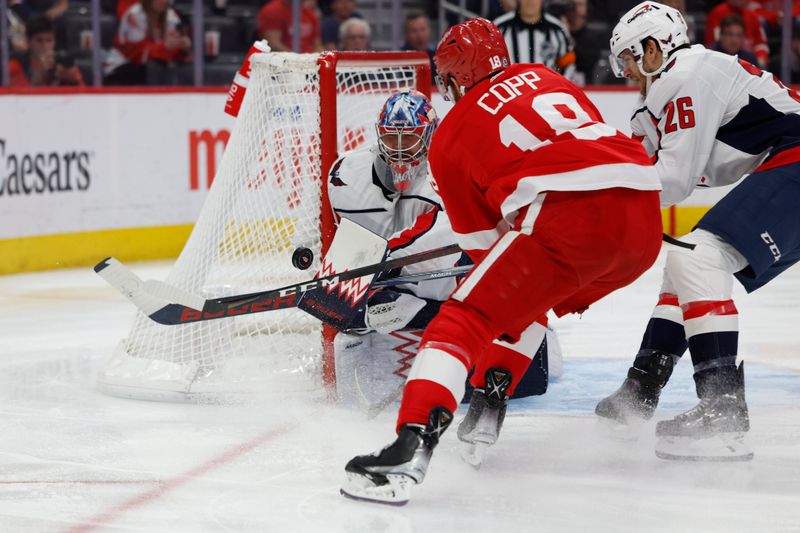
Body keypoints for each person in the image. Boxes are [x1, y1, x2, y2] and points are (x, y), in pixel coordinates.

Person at [341, 17, 663, 505]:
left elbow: (487, 251)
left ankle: (408, 448)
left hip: (570, 219)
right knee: (533, 291)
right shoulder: (550, 77)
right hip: (644, 220)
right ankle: (489, 403)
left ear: (454, 76)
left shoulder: (449, 137)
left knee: (465, 317)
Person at [597, 1, 800, 461]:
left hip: (796, 163)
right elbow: (636, 165)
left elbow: (671, 179)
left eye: (630, 56)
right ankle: (641, 390)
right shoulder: (663, 91)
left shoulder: (690, 73)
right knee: (684, 267)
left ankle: (722, 410)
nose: (625, 70)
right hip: (786, 166)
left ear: (655, 47)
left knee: (697, 257)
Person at [328, 90, 562, 418]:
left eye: (408, 140)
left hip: (449, 270)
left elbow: (435, 232)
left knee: (483, 312)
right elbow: (325, 228)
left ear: (429, 136)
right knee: (345, 313)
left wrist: (384, 260)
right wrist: (327, 266)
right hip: (397, 271)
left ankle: (430, 319)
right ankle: (346, 409)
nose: (398, 150)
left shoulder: (448, 170)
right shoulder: (346, 174)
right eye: (391, 139)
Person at [104, 0, 191, 85]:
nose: (164, 1)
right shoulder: (134, 14)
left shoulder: (171, 17)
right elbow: (138, 55)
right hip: (121, 67)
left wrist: (182, 48)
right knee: (153, 66)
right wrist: (165, 47)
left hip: (152, 68)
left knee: (163, 67)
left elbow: (174, 51)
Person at [493, 0, 576, 78]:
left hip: (547, 91)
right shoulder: (499, 28)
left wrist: (557, 88)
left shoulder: (557, 30)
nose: (530, 1)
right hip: (510, 91)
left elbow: (568, 66)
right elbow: (490, 65)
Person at [9, 16, 83, 87]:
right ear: (28, 42)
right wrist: (41, 71)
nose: (45, 46)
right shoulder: (16, 63)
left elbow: (83, 92)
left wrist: (73, 81)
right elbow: (21, 95)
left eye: (49, 40)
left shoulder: (64, 61)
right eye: (39, 40)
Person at [705, 0, 768, 68]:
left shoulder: (750, 59)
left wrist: (762, 57)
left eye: (739, 35)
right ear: (721, 35)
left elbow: (760, 44)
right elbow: (712, 43)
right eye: (730, 34)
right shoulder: (711, 57)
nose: (734, 40)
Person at [257, 0, 323, 53]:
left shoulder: (310, 14)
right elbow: (273, 44)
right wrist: (297, 58)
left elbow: (317, 45)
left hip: (308, 61)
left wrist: (320, 57)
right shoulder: (273, 10)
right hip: (281, 61)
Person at [401, 12, 437, 83]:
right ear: (406, 34)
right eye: (414, 31)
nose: (419, 35)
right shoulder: (400, 58)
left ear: (429, 30)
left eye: (422, 29)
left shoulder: (437, 55)